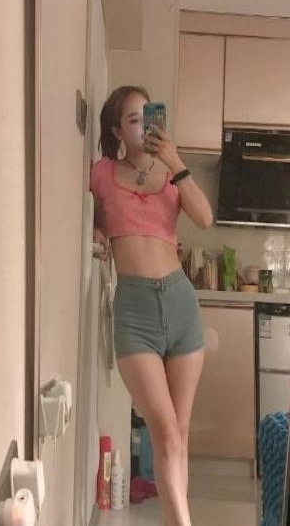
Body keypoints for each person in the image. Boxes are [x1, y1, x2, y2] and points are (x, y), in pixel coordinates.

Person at [90, 85, 213, 526]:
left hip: (180, 304)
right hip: (135, 311)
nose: (144, 127)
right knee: (165, 432)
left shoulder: (172, 177)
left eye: (149, 117)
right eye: (134, 120)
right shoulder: (101, 174)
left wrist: (175, 161)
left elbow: (205, 218)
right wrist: (95, 230)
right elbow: (85, 215)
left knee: (178, 436)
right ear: (117, 131)